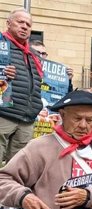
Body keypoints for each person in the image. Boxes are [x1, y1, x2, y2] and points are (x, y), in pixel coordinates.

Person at [0, 9, 43, 163]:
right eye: (20, 22)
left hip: (26, 119)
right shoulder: (1, 44)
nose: (25, 26)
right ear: (8, 23)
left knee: (17, 169)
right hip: (3, 116)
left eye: (28, 24)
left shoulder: (34, 55)